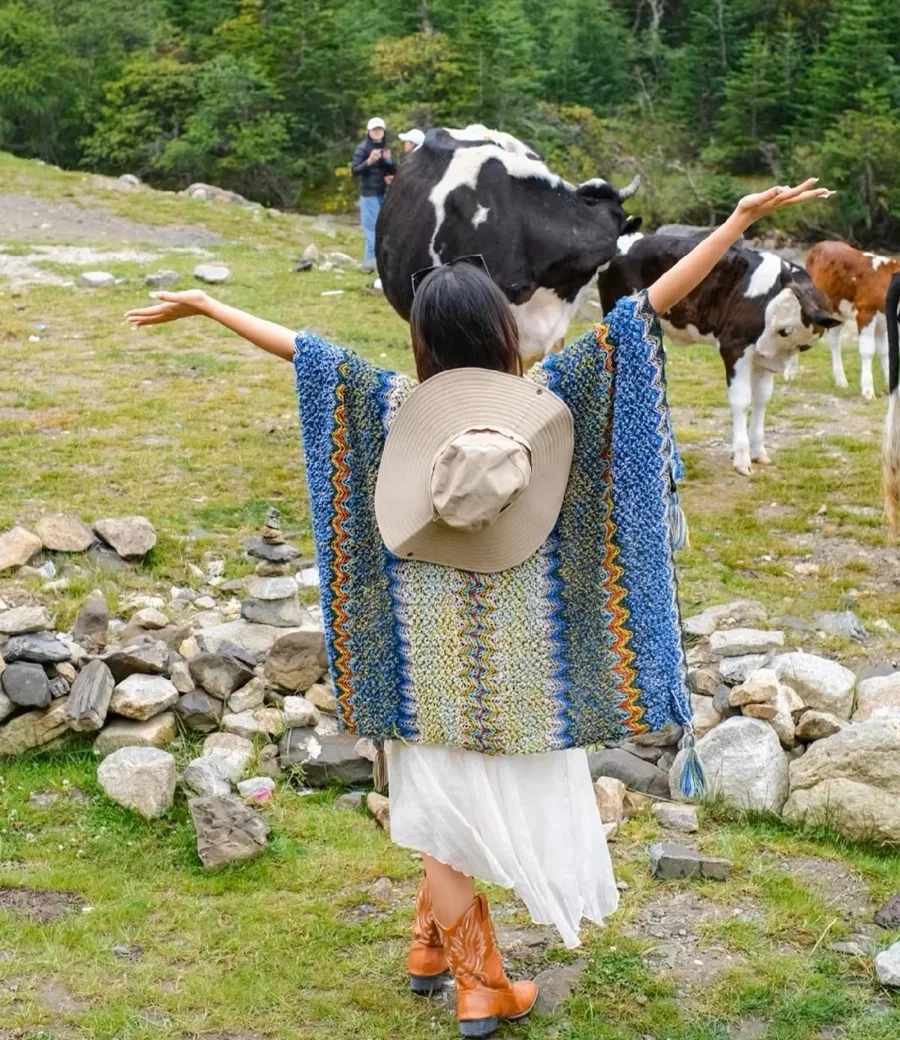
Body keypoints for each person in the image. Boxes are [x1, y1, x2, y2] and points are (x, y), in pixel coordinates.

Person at [125, 179, 830, 1038]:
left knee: (438, 816)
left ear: (423, 340)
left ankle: (435, 952)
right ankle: (480, 985)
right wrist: (739, 221)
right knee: (447, 826)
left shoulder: (387, 405)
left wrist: (208, 305)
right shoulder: (555, 401)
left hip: (423, 671)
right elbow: (649, 306)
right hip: (531, 677)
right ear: (503, 331)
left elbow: (302, 351)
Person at [351, 116, 395, 273]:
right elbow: (355, 170)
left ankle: (371, 263)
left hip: (382, 192)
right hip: (368, 193)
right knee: (372, 228)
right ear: (368, 132)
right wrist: (369, 161)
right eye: (375, 130)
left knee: (381, 227)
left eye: (380, 130)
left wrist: (389, 161)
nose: (378, 133)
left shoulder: (385, 148)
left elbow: (392, 172)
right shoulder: (362, 148)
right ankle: (372, 262)